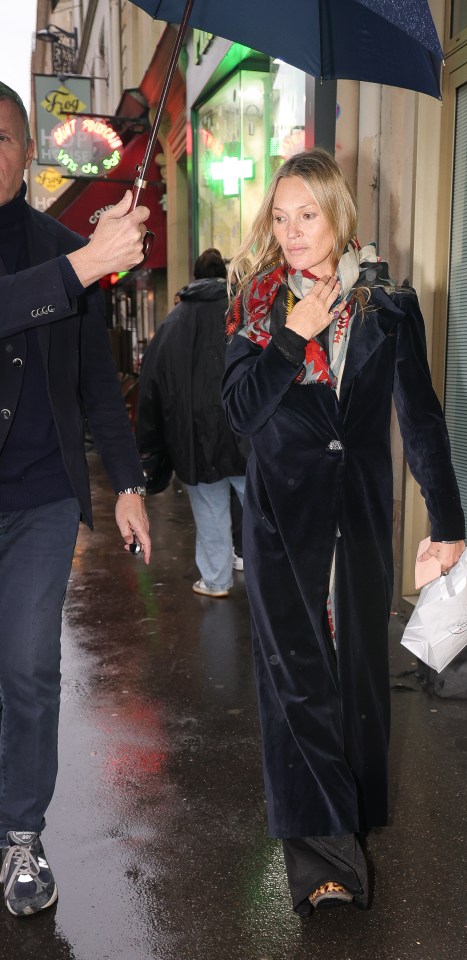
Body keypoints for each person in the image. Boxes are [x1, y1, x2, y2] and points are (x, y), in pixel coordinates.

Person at [222, 148, 466, 916]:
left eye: (308, 215)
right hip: (280, 524)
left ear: (338, 217)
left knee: (355, 674)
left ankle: (346, 814)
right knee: (297, 680)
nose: (291, 233)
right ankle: (324, 861)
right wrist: (290, 337)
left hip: (358, 518)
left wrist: (448, 522)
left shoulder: (388, 305)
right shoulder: (253, 306)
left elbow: (419, 416)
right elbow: (238, 414)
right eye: (280, 217)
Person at [0, 81, 151, 918]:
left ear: (26, 153)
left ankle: (21, 832)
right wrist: (83, 265)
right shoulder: (74, 258)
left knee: (26, 664)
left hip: (42, 499)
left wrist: (128, 483)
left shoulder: (59, 243)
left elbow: (97, 381)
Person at [137, 247, 246, 598]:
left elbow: (151, 390)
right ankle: (272, 582)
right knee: (264, 510)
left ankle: (216, 580)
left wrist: (151, 453)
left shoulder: (173, 324)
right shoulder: (243, 312)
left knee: (211, 510)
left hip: (194, 439)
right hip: (247, 433)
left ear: (195, 277)